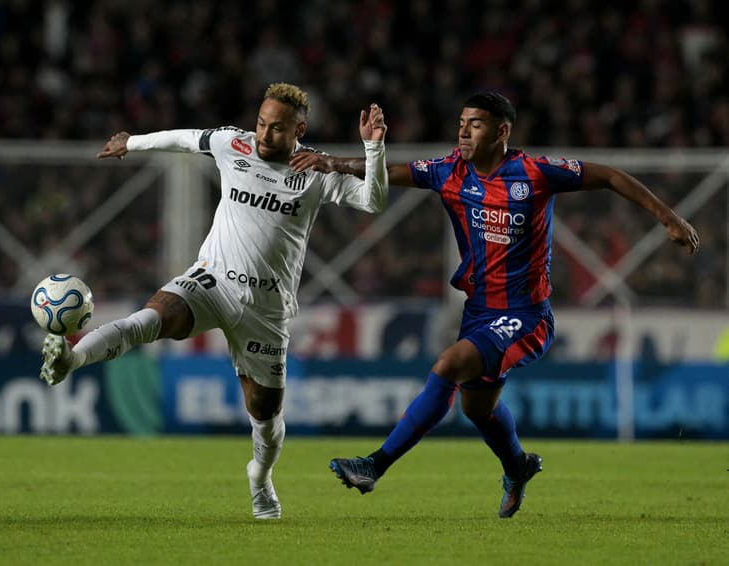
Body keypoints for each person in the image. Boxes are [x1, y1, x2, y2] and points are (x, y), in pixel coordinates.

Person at [290, 91, 700, 518]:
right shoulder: (448, 171)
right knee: (476, 407)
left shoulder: (535, 173)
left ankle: (374, 465)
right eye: (462, 123)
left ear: (502, 131)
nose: (464, 131)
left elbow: (612, 176)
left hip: (526, 316)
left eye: (476, 124)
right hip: (480, 312)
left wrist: (669, 217)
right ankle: (517, 466)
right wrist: (333, 162)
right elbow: (387, 172)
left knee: (449, 364)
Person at [38, 83, 389, 519]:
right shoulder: (233, 143)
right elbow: (185, 138)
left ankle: (260, 479)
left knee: (265, 415)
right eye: (261, 123)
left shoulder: (313, 170)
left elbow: (374, 200)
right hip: (212, 281)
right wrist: (133, 142)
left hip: (267, 310)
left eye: (277, 129)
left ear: (299, 129)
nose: (264, 135)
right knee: (151, 318)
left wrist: (372, 150)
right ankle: (71, 359)